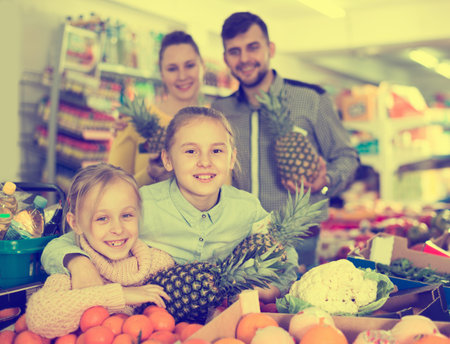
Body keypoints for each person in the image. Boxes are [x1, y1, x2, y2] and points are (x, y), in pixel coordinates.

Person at [41, 107, 299, 304]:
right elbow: (61, 243)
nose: (205, 162)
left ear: (231, 158)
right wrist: (79, 263)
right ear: (167, 159)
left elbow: (285, 252)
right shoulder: (142, 204)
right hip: (153, 321)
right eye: (190, 152)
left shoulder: (247, 208)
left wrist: (275, 287)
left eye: (217, 151)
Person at [211, 12, 360, 270]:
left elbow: (347, 156)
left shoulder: (311, 99)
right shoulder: (220, 109)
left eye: (253, 47)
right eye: (234, 51)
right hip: (237, 241)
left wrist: (325, 182)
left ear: (270, 49)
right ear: (225, 58)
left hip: (299, 240)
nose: (244, 59)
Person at [26, 163, 174, 339]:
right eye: (102, 218)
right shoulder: (74, 272)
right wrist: (120, 295)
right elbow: (39, 317)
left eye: (127, 215)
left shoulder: (158, 264)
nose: (118, 229)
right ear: (76, 224)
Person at [108, 30, 205, 187]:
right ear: (162, 74)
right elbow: (112, 188)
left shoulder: (217, 120)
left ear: (203, 66)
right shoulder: (133, 122)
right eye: (172, 68)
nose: (182, 76)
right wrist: (149, 175)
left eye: (190, 65)